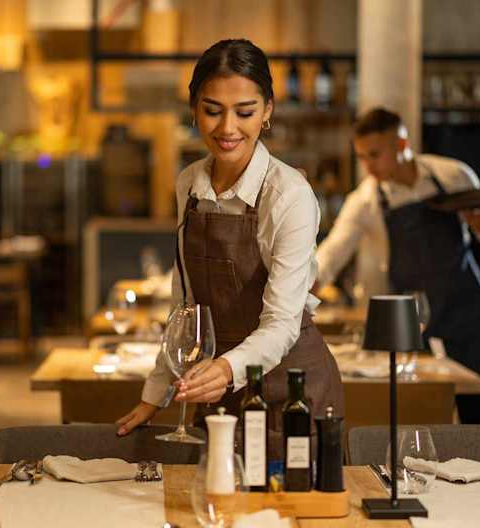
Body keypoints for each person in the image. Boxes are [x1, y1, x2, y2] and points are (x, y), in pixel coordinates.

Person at [115, 39, 344, 458]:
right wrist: (156, 392)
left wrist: (225, 368)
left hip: (291, 389)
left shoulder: (289, 194)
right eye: (213, 110)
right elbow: (184, 306)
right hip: (217, 385)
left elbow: (282, 323)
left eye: (245, 112)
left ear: (268, 110)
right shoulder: (188, 183)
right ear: (193, 109)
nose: (227, 128)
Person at [315, 107, 480, 424]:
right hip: (416, 323)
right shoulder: (365, 201)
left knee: (477, 423)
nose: (367, 166)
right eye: (361, 157)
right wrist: (308, 281)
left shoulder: (453, 175)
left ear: (402, 145)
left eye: (374, 155)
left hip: (468, 313)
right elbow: (332, 251)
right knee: (422, 418)